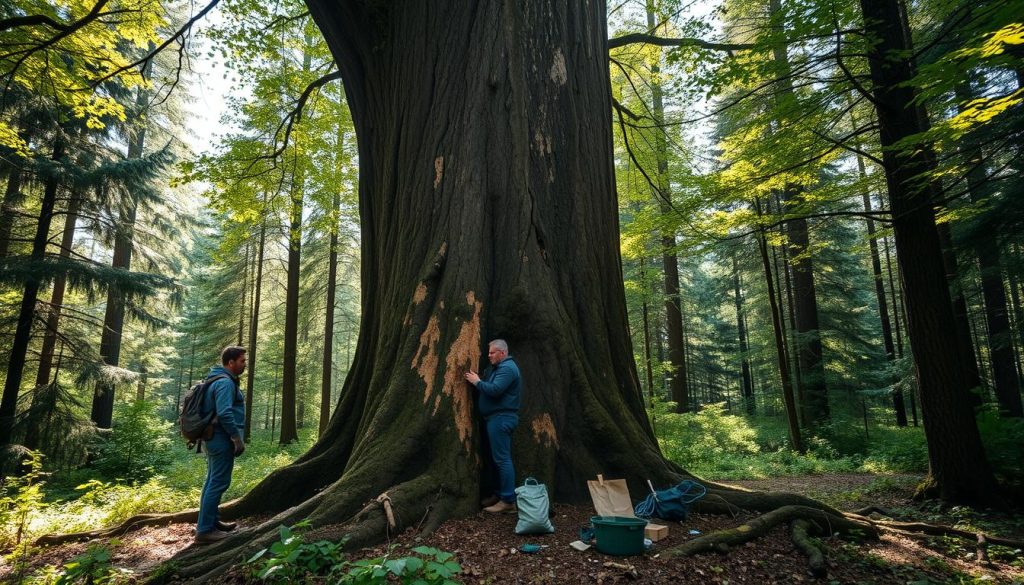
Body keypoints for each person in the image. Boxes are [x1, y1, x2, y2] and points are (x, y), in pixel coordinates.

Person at [195, 345, 247, 544]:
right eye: (242, 361)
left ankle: (211, 521)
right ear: (231, 362)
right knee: (218, 483)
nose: (244, 365)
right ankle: (205, 530)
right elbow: (224, 412)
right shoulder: (225, 383)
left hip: (212, 438)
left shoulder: (215, 379)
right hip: (220, 438)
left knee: (211, 481)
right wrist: (236, 438)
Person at [464, 339, 521, 513]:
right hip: (494, 419)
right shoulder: (499, 368)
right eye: (488, 352)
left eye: (492, 352)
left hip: (501, 419)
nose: (489, 356)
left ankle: (508, 501)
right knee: (496, 459)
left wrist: (477, 382)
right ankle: (499, 493)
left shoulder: (508, 369)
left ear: (502, 353)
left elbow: (495, 390)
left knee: (502, 459)